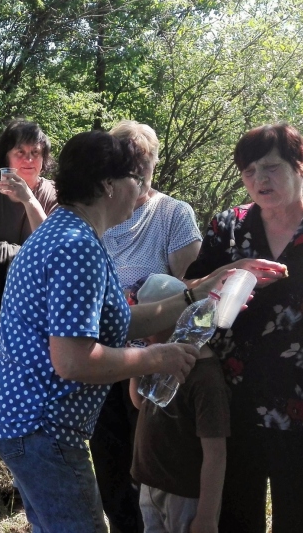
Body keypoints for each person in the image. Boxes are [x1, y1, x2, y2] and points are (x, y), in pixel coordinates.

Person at [0, 130, 276, 531]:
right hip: (38, 426)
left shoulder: (73, 232)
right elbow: (73, 361)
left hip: (18, 418)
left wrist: (198, 291)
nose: (144, 188)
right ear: (108, 186)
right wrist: (156, 357)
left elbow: (117, 323)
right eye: (136, 178)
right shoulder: (75, 247)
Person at [184, 123, 303, 533]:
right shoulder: (228, 227)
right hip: (233, 401)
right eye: (249, 171)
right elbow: (190, 291)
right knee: (237, 517)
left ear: (299, 166)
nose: (259, 180)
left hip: (299, 402)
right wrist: (227, 272)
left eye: (270, 168)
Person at [92, 120, 203, 533]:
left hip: (152, 362)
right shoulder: (97, 213)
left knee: (148, 467)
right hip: (99, 355)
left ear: (154, 165)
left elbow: (190, 289)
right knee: (108, 461)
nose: (138, 177)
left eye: (145, 167)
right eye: (129, 168)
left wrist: (140, 300)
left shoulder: (174, 214)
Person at [128, 274, 230, 533]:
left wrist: (207, 516)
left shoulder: (205, 378)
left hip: (183, 495)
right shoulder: (160, 355)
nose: (143, 331)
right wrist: (136, 365)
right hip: (150, 485)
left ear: (174, 320)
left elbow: (215, 454)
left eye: (148, 322)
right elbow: (141, 403)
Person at [0, 119, 58, 332]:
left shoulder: (57, 196)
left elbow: (54, 251)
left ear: (44, 158)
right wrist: (29, 258)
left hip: (43, 305)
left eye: (35, 152)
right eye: (20, 152)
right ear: (5, 157)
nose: (28, 159)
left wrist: (29, 200)